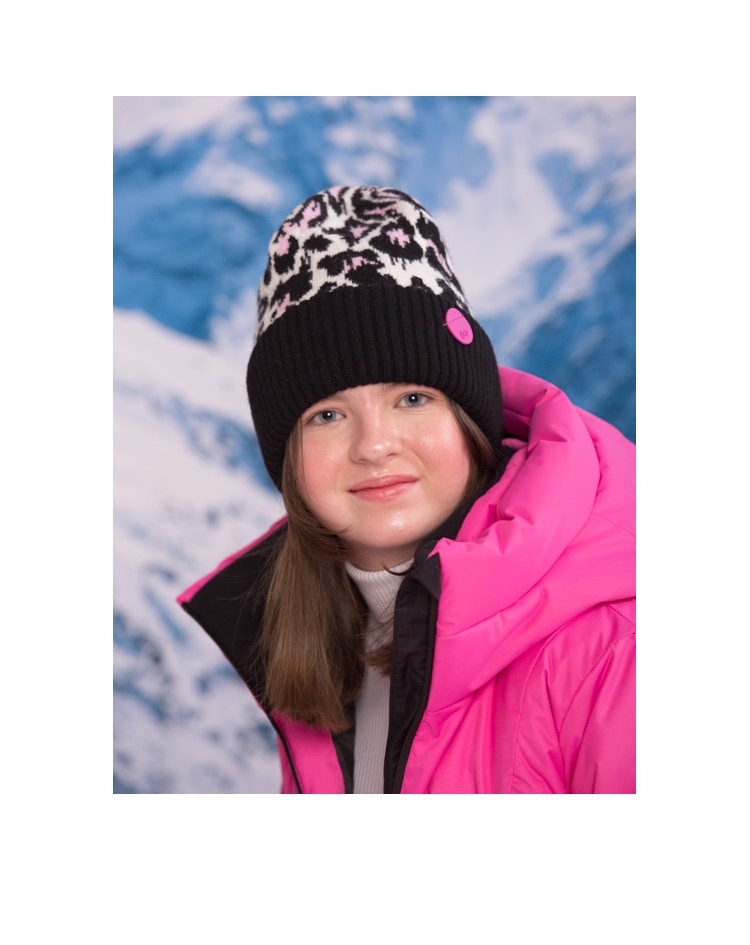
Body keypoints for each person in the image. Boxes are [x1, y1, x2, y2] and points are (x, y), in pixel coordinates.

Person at [177, 185, 636, 794]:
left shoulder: (614, 651)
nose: (374, 445)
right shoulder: (315, 638)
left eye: (412, 399)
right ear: (289, 461)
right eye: (327, 415)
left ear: (469, 422)